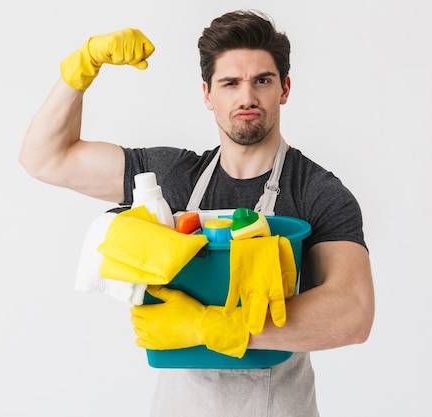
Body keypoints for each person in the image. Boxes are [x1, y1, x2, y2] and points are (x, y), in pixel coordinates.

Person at [19, 9, 374, 417]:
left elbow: (354, 312)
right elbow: (46, 158)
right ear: (207, 94)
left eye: (262, 80)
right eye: (230, 83)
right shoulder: (174, 179)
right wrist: (81, 67)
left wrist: (213, 326)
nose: (246, 97)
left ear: (285, 88)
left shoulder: (316, 192)